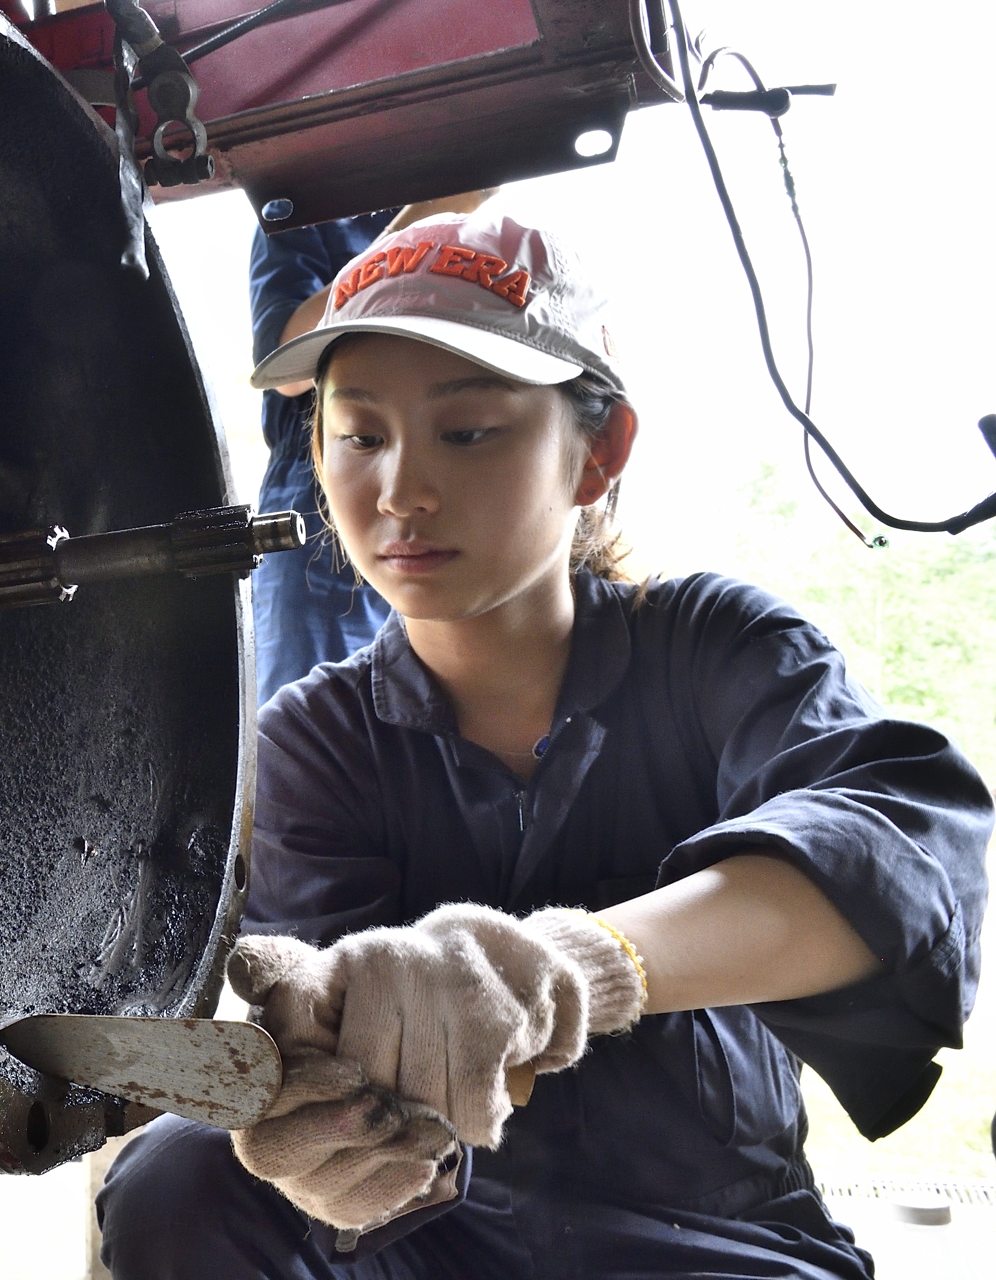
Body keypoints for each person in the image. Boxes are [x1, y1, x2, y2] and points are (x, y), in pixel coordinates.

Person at [98, 211, 991, 1278]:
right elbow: (363, 1109)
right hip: (431, 1244)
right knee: (176, 1173)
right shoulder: (313, 741)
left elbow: (898, 847)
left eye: (468, 430)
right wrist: (330, 1123)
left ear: (598, 452)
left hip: (718, 1240)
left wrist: (578, 966)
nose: (400, 491)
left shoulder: (720, 650)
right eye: (362, 434)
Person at [250, 194, 493, 704]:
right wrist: (432, 213)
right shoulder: (300, 212)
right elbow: (284, 362)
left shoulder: (485, 232)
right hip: (321, 503)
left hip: (447, 488)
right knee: (316, 715)